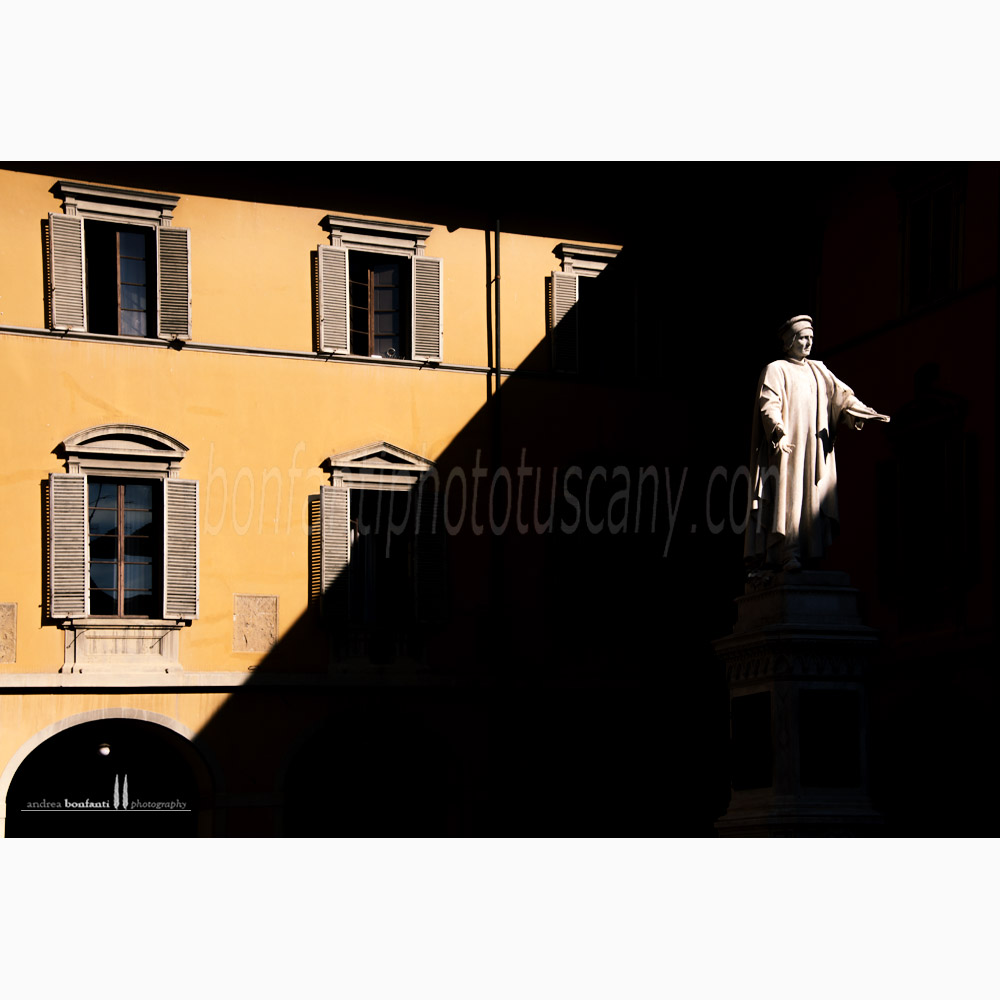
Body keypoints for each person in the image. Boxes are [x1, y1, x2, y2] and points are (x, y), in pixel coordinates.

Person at [744, 315, 888, 572]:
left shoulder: (819, 371)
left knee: (810, 499)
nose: (809, 342)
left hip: (813, 448)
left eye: (811, 338)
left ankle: (809, 551)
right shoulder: (776, 369)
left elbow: (841, 396)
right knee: (789, 497)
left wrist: (860, 411)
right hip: (789, 448)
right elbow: (769, 403)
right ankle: (789, 551)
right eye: (803, 337)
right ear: (790, 341)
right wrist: (778, 431)